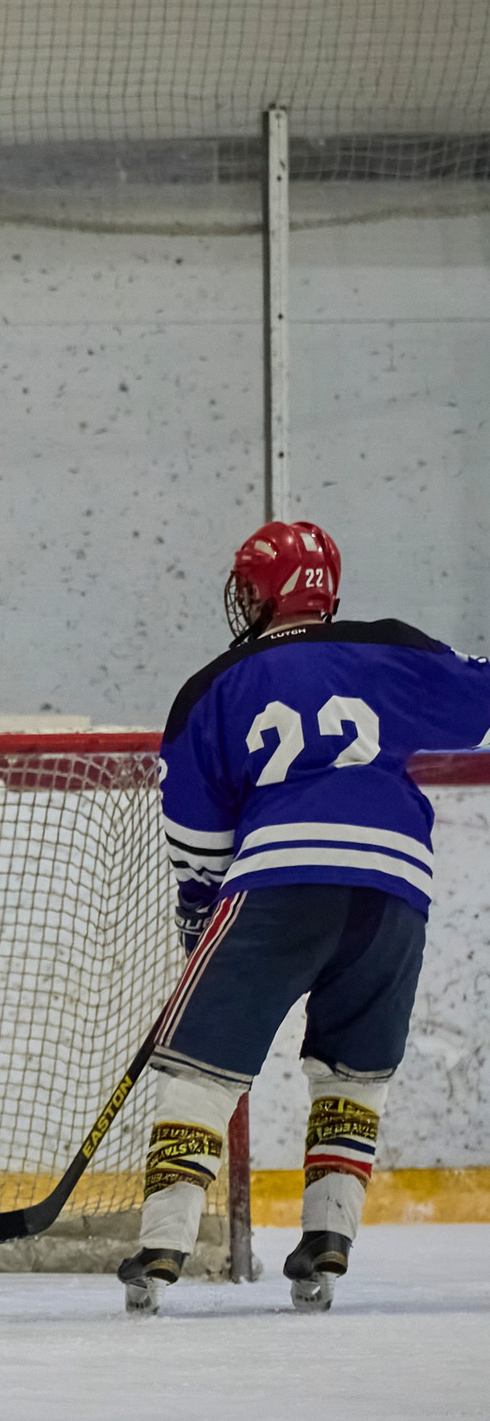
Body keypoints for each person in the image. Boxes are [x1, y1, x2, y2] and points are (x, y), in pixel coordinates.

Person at [124, 519, 490, 1314]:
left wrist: (199, 917)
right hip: (398, 885)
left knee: (199, 1068)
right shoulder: (392, 648)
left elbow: (197, 835)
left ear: (262, 594)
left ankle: (162, 1245)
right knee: (355, 1068)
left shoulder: (215, 683)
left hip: (280, 876)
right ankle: (329, 1239)